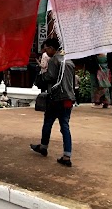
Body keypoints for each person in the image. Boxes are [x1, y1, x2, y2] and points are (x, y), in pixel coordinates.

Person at [30, 37, 75, 167]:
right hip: (68, 98)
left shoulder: (55, 60)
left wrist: (40, 78)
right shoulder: (69, 60)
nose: (45, 51)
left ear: (51, 48)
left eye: (46, 49)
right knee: (65, 126)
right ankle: (67, 155)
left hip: (56, 97)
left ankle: (43, 147)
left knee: (48, 122)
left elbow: (50, 76)